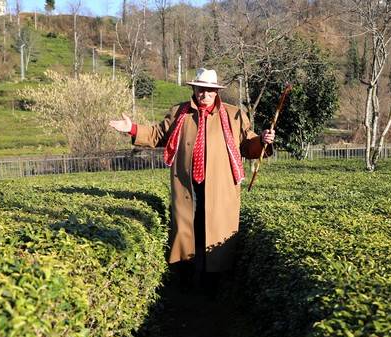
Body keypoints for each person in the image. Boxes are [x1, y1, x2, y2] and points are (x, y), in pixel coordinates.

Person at [109, 68, 275, 290]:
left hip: (220, 187)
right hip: (187, 185)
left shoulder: (235, 114)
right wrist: (132, 129)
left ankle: (213, 284)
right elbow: (158, 134)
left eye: (208, 90)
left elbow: (248, 145)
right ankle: (185, 282)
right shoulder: (180, 112)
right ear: (194, 89)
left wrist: (263, 141)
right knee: (187, 231)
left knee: (215, 232)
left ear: (216, 92)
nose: (203, 94)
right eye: (199, 89)